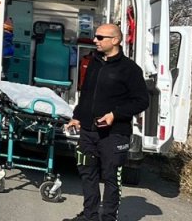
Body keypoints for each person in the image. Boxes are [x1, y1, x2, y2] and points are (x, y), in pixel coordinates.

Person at [63, 23, 150, 221]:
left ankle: (108, 217)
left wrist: (115, 114)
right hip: (88, 131)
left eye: (100, 37)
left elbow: (142, 101)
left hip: (114, 134)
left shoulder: (130, 69)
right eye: (96, 36)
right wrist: (77, 116)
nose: (95, 40)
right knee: (88, 174)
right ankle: (90, 216)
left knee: (111, 177)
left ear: (115, 40)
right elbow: (86, 94)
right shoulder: (94, 62)